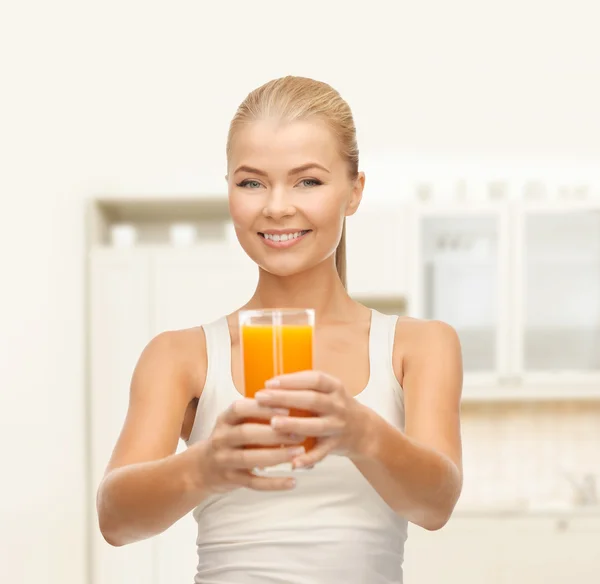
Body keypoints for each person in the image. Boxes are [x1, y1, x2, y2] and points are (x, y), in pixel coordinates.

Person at [96, 75, 464, 584]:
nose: (276, 206)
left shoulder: (418, 346)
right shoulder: (181, 356)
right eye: (252, 182)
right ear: (229, 191)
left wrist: (361, 433)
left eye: (307, 181)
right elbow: (115, 519)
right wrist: (203, 467)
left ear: (354, 191)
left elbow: (436, 504)